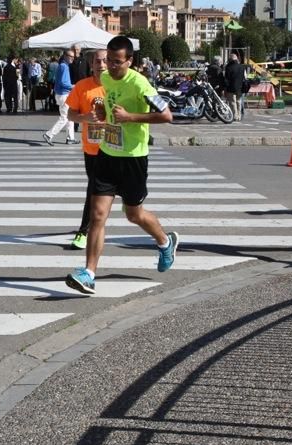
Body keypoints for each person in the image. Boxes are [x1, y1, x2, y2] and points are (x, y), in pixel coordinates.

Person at [65, 35, 176, 294]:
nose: (110, 68)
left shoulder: (141, 84)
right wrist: (102, 114)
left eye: (117, 63)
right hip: (107, 154)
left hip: (133, 158)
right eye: (108, 62)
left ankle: (164, 241)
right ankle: (89, 273)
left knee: (133, 214)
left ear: (130, 61)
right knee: (97, 215)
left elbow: (166, 115)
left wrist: (130, 117)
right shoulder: (104, 79)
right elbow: (110, 106)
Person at [65, 49, 107, 250]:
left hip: (118, 147)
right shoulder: (82, 87)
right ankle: (83, 231)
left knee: (128, 195)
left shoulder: (119, 87)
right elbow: (71, 115)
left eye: (106, 61)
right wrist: (85, 118)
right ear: (92, 64)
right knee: (94, 190)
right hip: (93, 149)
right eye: (98, 61)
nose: (102, 65)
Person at [43, 50, 76, 145]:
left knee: (70, 117)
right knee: (65, 118)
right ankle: (49, 134)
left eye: (73, 56)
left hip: (62, 94)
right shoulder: (64, 66)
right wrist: (73, 86)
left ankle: (70, 138)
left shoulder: (62, 66)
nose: (72, 58)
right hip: (64, 94)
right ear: (65, 56)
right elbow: (64, 83)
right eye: (71, 56)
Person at [70, 44, 89, 132]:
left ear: (80, 50)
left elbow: (88, 73)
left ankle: (86, 123)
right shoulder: (70, 60)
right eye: (74, 49)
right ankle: (75, 125)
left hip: (84, 86)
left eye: (77, 49)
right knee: (74, 107)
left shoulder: (84, 60)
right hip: (73, 86)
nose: (75, 51)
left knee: (84, 106)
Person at [224, 53, 244, 121]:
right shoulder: (241, 67)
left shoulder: (229, 67)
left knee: (232, 102)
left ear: (230, 59)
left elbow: (226, 79)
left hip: (231, 87)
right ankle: (239, 116)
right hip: (240, 87)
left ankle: (234, 116)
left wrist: (225, 88)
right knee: (238, 101)